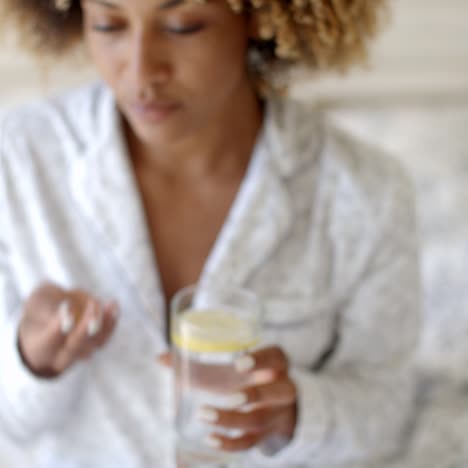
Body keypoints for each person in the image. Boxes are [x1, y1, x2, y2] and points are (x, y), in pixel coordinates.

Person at [0, 0, 421, 467]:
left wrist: (300, 414)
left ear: (260, 16)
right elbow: (10, 421)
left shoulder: (367, 194)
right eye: (109, 25)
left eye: (184, 26)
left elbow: (387, 412)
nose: (141, 72)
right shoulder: (17, 164)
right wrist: (28, 359)